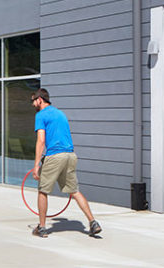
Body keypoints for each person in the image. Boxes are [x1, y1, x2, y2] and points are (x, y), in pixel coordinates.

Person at [30, 88, 101, 238]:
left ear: (40, 100)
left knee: (43, 191)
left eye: (33, 101)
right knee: (74, 191)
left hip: (55, 156)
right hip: (70, 155)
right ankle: (93, 222)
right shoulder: (60, 114)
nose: (32, 104)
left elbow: (41, 140)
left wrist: (36, 165)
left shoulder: (41, 115)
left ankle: (42, 228)